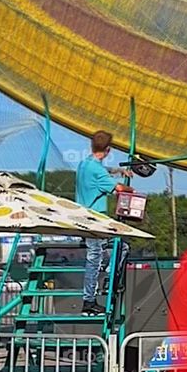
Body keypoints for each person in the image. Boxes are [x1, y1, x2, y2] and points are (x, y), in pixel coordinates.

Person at [74, 131, 126, 312]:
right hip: (95, 220)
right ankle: (90, 299)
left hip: (83, 218)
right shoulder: (96, 170)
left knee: (119, 247)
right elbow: (118, 188)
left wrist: (118, 171)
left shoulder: (84, 164)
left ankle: (107, 280)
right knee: (95, 258)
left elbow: (101, 171)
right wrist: (130, 189)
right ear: (108, 150)